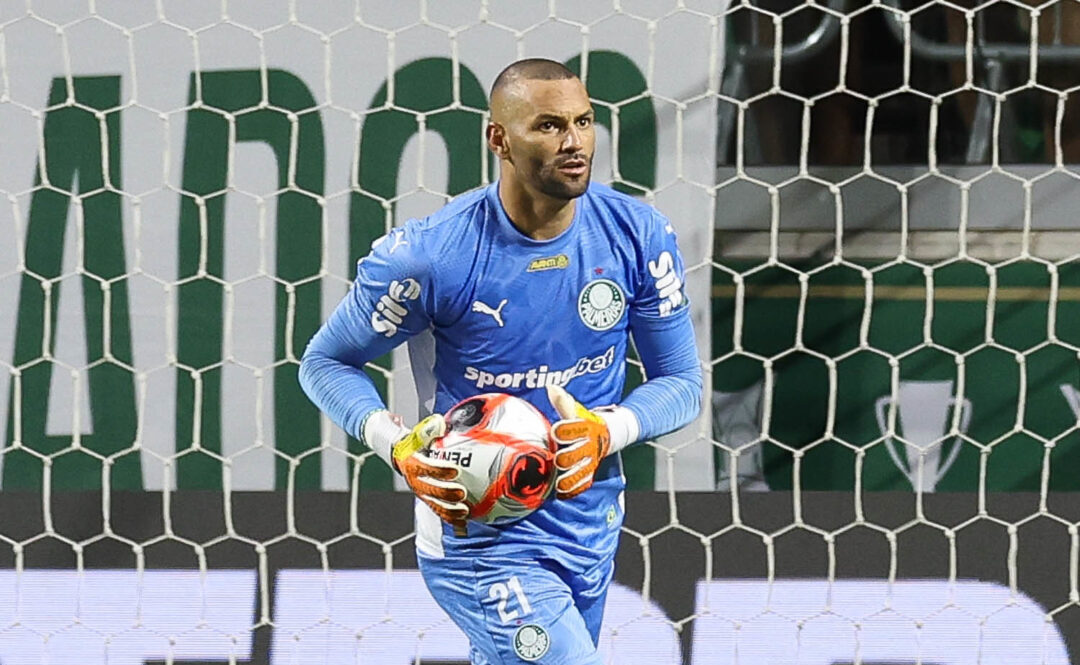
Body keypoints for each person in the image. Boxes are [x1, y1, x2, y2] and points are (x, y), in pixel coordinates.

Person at [299, 58, 702, 664]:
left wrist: (604, 432)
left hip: (588, 521)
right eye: (547, 126)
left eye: (584, 122)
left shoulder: (637, 234)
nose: (574, 143)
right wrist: (396, 446)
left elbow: (682, 383)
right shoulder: (432, 256)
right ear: (498, 140)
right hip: (479, 531)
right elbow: (324, 363)